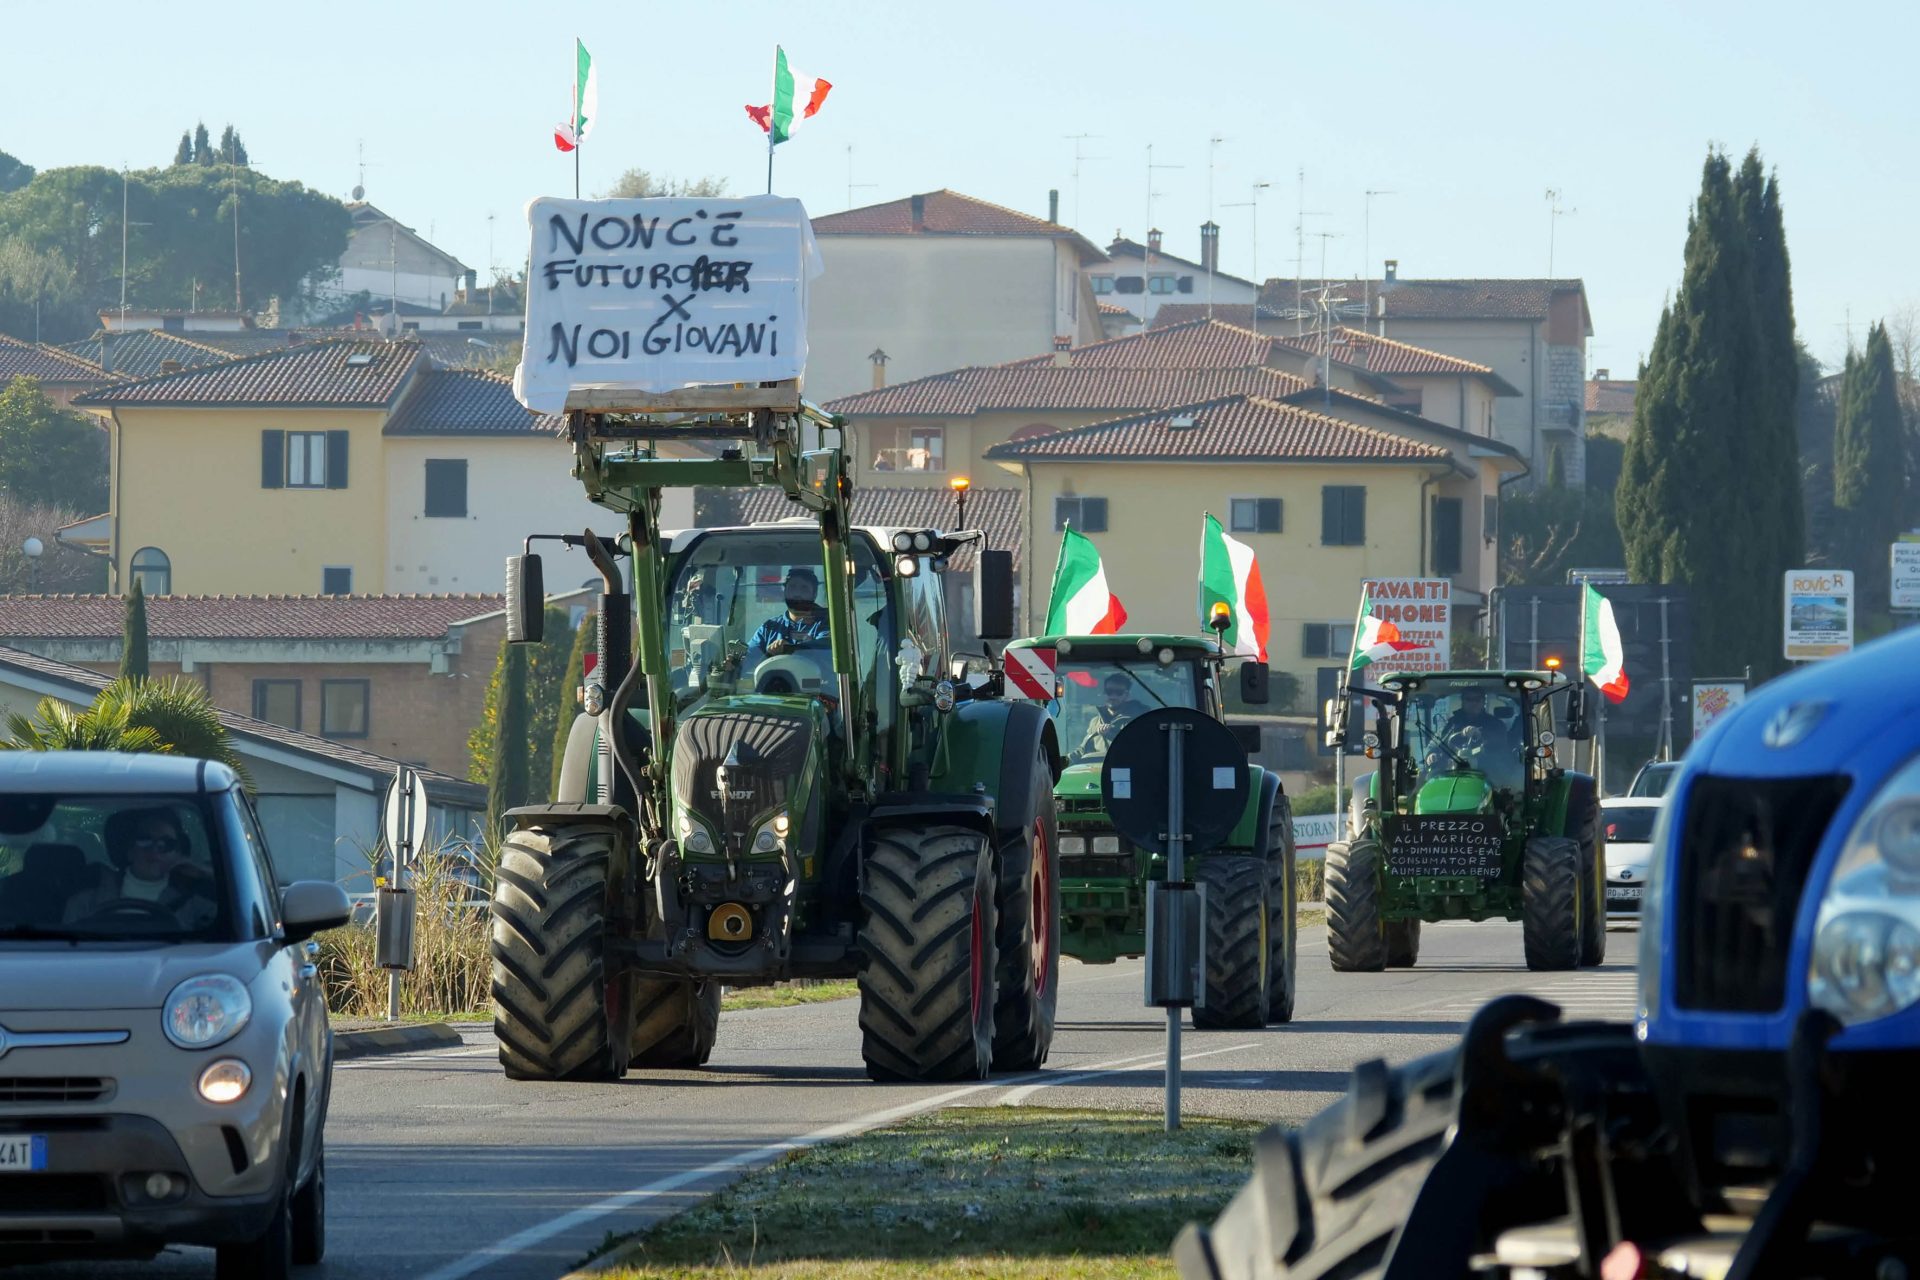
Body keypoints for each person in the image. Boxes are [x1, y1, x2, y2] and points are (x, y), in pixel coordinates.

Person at [64, 807, 219, 930]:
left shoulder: (196, 902)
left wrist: (206, 874)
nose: (155, 850)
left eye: (166, 844)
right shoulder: (84, 903)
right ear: (129, 850)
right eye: (144, 841)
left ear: (178, 852)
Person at [748, 566, 831, 658]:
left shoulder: (828, 622)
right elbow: (749, 656)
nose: (797, 594)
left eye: (804, 588)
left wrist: (791, 649)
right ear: (784, 591)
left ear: (814, 594)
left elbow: (825, 648)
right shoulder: (769, 628)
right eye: (792, 587)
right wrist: (734, 664)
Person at [1077, 672, 1145, 758]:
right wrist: (1064, 762)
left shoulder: (1140, 720)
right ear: (1104, 693)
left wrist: (1111, 734)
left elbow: (1140, 749)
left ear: (1127, 695)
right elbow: (1081, 751)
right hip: (1097, 770)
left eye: (1119, 692)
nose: (1113, 696)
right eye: (1109, 691)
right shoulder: (1095, 722)